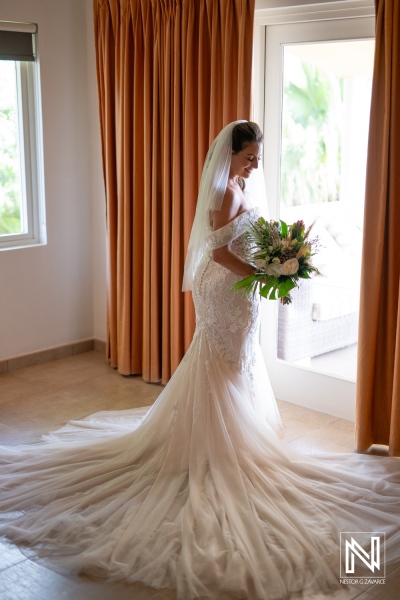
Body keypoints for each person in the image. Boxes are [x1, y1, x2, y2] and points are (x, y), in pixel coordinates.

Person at [0, 121, 399, 600]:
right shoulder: (221, 195)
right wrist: (264, 269)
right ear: (229, 154)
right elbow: (220, 254)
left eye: (257, 157)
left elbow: (249, 239)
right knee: (219, 361)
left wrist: (275, 260)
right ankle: (209, 448)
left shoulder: (241, 185)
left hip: (242, 291)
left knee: (236, 365)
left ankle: (229, 440)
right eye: (249, 156)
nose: (255, 165)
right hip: (224, 290)